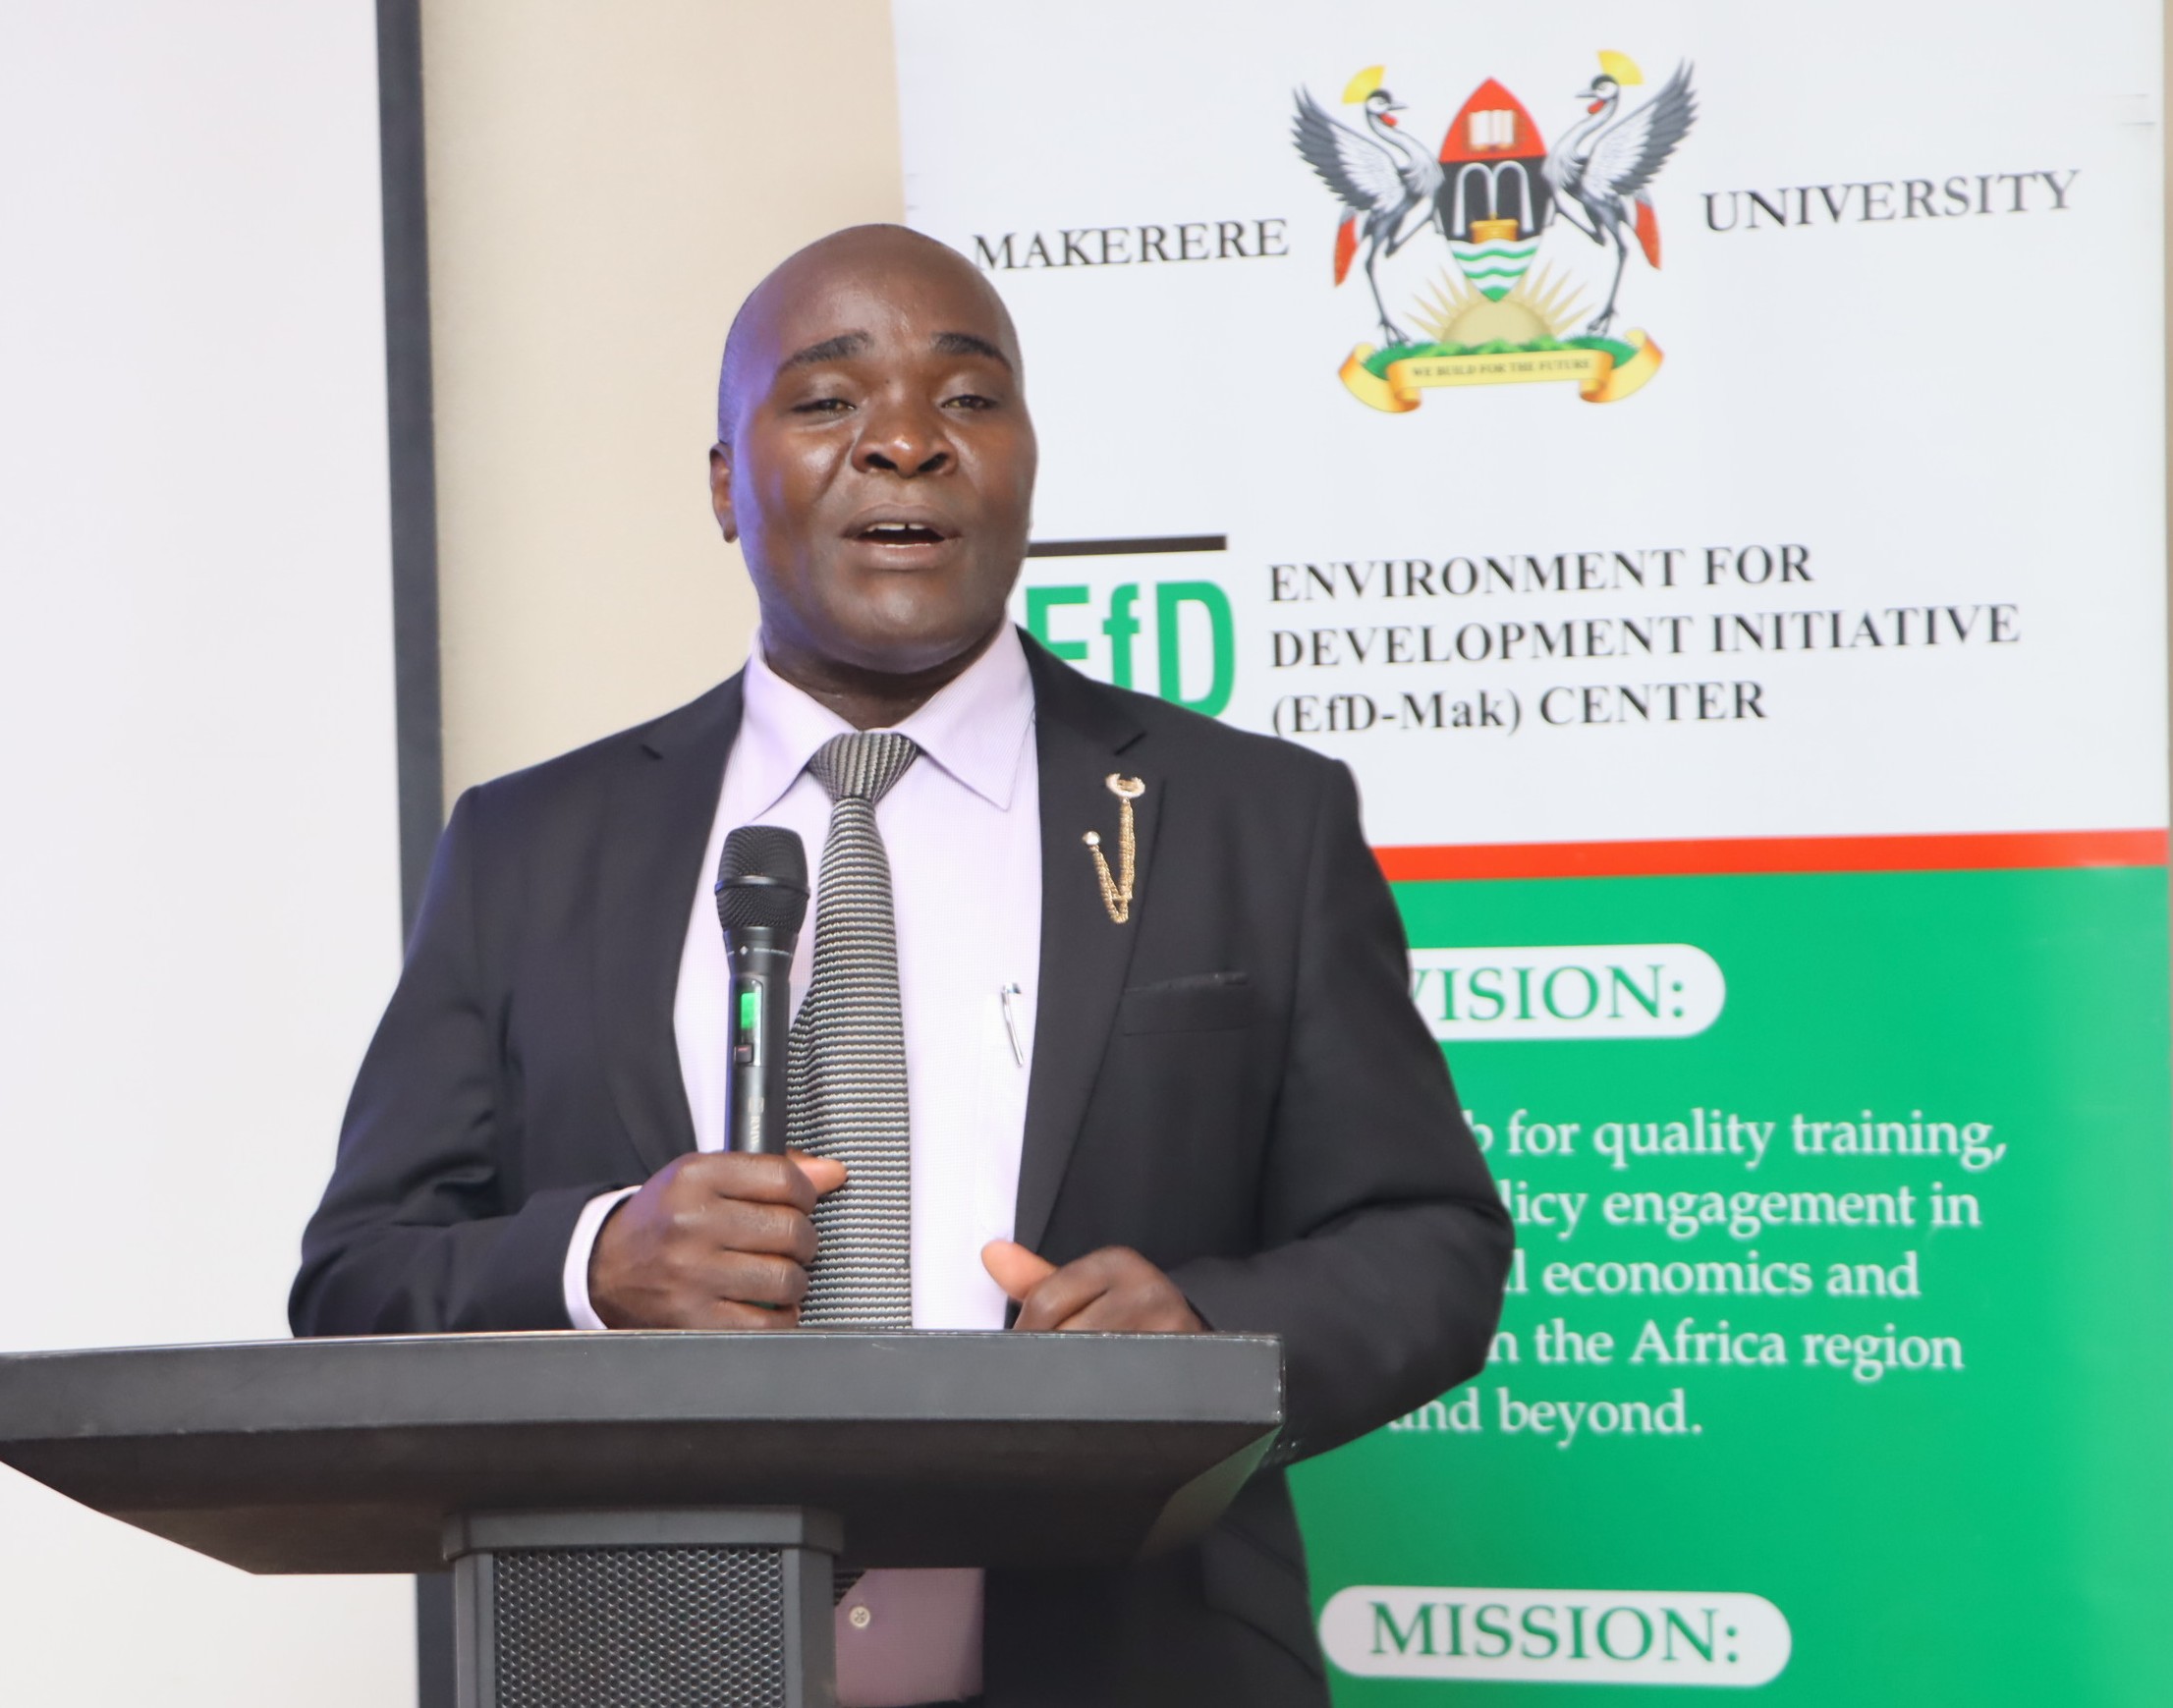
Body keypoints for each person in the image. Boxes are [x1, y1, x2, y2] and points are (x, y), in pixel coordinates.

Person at [292, 224, 1510, 1707]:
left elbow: (1429, 1241)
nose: (909, 444)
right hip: (643, 1661)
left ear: (1027, 464)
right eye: (826, 401)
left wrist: (1203, 1337)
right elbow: (357, 1280)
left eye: (969, 397)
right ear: (728, 486)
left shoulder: (1253, 820)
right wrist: (598, 1261)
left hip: (1128, 1660)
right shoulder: (531, 846)